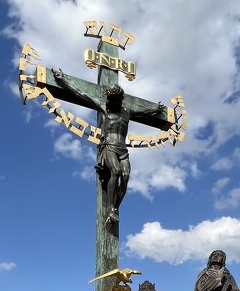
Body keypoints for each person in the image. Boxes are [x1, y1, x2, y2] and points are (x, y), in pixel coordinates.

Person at [52, 69, 164, 224]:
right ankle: (111, 209)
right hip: (109, 146)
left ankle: (115, 207)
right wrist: (63, 80)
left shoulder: (127, 112)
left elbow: (144, 111)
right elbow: (81, 94)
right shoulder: (104, 107)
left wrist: (155, 109)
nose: (112, 102)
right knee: (116, 171)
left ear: (120, 99)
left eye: (116, 100)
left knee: (125, 177)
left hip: (122, 149)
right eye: (110, 99)